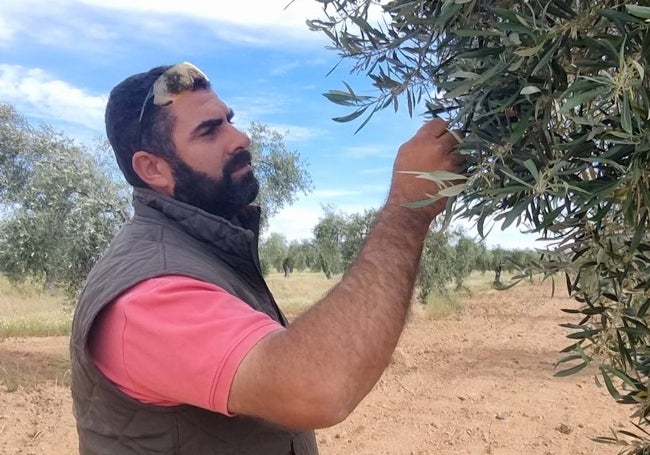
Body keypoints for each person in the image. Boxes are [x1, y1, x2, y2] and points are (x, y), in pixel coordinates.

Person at [70, 62, 465, 455]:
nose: (240, 137)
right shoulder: (149, 294)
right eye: (209, 130)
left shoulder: (204, 255)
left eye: (228, 120)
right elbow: (319, 386)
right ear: (152, 168)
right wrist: (407, 209)